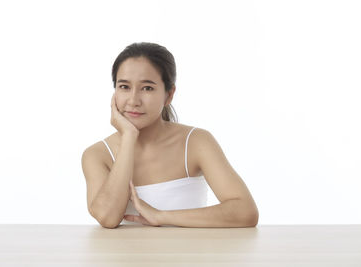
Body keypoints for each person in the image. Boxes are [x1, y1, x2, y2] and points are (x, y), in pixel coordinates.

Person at [81, 42, 259, 228]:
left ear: (169, 95)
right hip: (125, 257)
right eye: (124, 87)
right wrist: (128, 138)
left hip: (186, 255)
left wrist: (161, 216)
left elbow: (245, 212)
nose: (133, 100)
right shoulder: (97, 155)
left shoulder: (196, 142)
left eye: (147, 88)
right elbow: (107, 218)